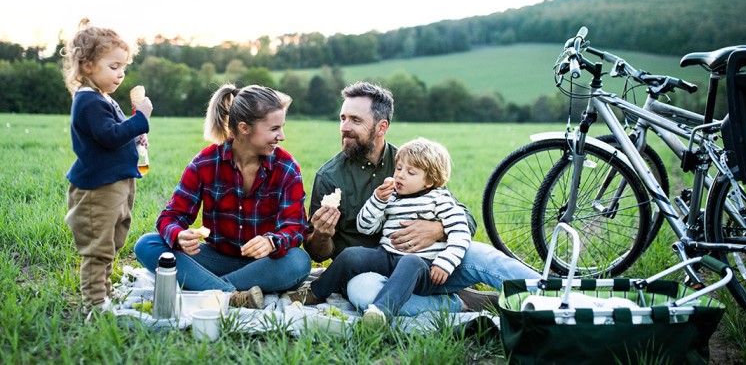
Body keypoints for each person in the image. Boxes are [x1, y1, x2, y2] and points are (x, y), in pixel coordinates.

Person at [302, 81, 540, 315]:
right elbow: (318, 253)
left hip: (428, 264)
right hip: (369, 271)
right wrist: (322, 233)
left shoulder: (409, 163)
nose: (344, 127)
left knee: (485, 256)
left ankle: (558, 294)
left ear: (381, 126)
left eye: (355, 120)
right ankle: (458, 304)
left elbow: (463, 217)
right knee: (366, 296)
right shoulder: (329, 176)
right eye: (343, 118)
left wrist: (438, 230)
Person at [134, 84, 311, 309]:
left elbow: (295, 227)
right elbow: (171, 216)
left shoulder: (286, 167)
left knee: (298, 261)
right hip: (215, 260)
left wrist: (271, 241)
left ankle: (206, 290)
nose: (282, 136)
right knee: (147, 244)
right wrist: (178, 235)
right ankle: (230, 294)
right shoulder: (205, 163)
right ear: (244, 128)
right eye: (274, 128)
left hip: (264, 265)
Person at [290, 137, 472, 325]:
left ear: (429, 181)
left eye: (410, 172)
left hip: (423, 267)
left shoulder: (440, 199)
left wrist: (445, 263)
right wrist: (377, 200)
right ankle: (314, 293)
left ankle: (380, 312)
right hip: (388, 256)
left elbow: (461, 232)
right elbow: (365, 227)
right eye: (399, 168)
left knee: (411, 261)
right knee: (352, 254)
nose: (400, 175)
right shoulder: (392, 196)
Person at [62, 18, 153, 314]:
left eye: (123, 67)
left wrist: (135, 136)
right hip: (99, 188)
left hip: (119, 182)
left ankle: (105, 292)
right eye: (113, 67)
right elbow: (109, 136)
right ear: (87, 66)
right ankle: (94, 303)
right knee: (98, 246)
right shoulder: (88, 101)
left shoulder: (103, 98)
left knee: (114, 239)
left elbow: (115, 134)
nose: (121, 74)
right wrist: (141, 120)